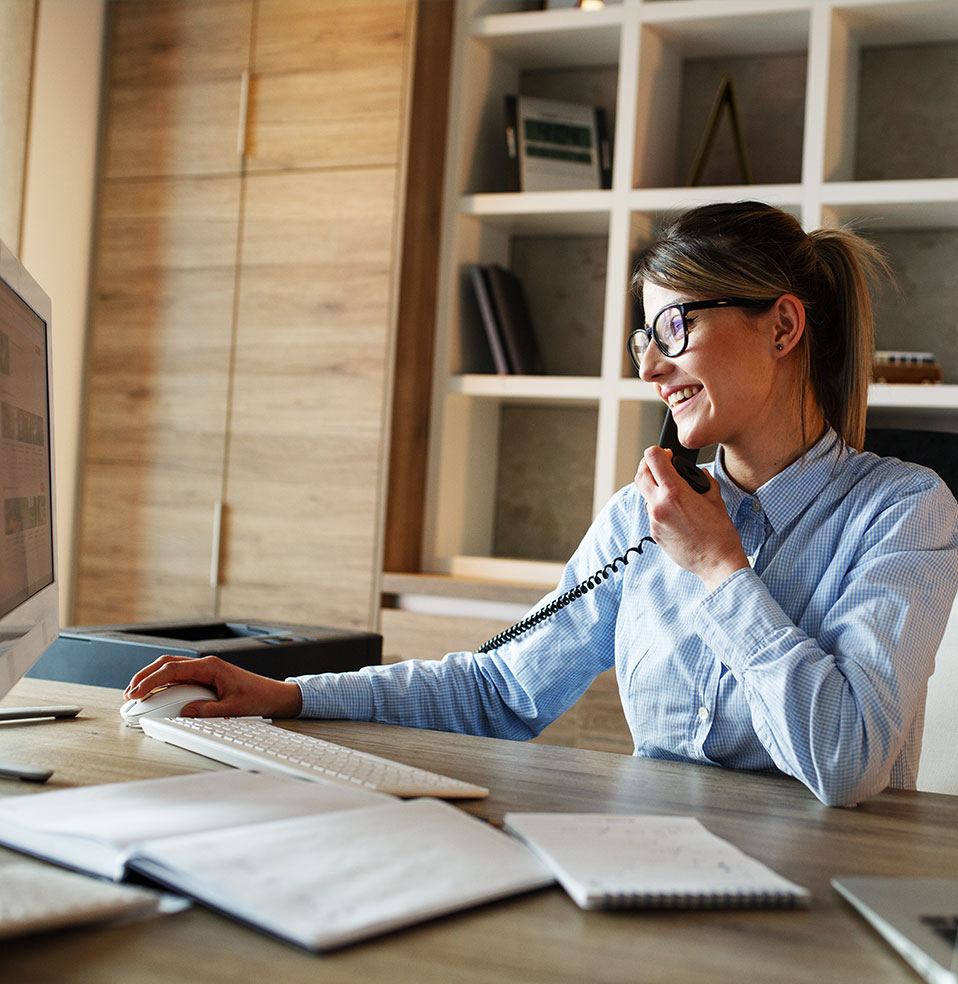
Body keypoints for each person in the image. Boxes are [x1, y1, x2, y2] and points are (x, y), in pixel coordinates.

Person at [125, 201, 958, 807]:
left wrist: (719, 569)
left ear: (782, 328)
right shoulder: (643, 519)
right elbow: (502, 690)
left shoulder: (903, 512)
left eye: (674, 331)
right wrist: (290, 694)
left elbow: (847, 762)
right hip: (650, 873)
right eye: (644, 341)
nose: (650, 370)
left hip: (824, 912)